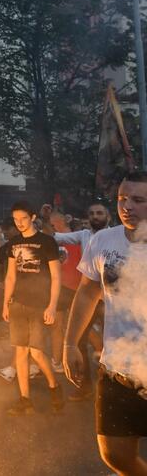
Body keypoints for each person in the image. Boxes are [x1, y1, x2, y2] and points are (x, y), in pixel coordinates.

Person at [64, 172, 147, 476]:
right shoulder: (103, 240)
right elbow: (87, 292)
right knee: (115, 455)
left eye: (138, 200)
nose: (127, 206)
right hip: (117, 370)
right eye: (123, 199)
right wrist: (70, 343)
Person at [2, 202, 64, 415]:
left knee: (37, 353)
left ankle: (54, 386)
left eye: (23, 218)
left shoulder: (47, 242)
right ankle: (24, 398)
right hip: (18, 303)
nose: (19, 223)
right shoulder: (13, 243)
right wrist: (5, 302)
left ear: (33, 217)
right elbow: (11, 276)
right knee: (20, 351)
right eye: (16, 219)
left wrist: (52, 306)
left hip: (40, 304)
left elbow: (56, 276)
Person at [53, 200, 110, 397]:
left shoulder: (117, 236)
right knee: (78, 340)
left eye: (99, 213)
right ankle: (84, 386)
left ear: (108, 217)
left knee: (114, 341)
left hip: (112, 301)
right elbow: (57, 238)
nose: (95, 216)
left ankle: (115, 385)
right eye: (92, 213)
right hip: (91, 298)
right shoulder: (85, 235)